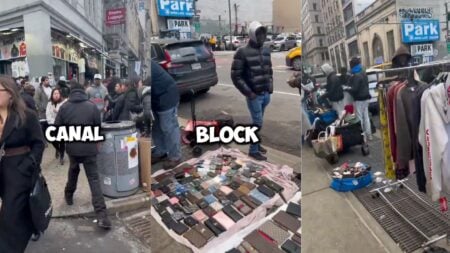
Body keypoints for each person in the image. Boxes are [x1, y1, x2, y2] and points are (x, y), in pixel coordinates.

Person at [55, 80, 112, 229]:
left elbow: (56, 129)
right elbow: (98, 128)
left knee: (73, 170)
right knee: (94, 179)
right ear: (84, 92)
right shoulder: (92, 107)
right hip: (89, 148)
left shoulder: (64, 107)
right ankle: (102, 216)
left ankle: (69, 195)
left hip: (73, 148)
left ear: (71, 93)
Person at [0, 75, 45, 252]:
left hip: (18, 172)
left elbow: (39, 143)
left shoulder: (27, 116)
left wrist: (29, 165)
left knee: (11, 215)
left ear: (10, 93)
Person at [231, 21, 273, 161]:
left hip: (265, 94)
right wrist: (249, 93)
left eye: (263, 33)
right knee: (257, 123)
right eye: (258, 33)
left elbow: (269, 70)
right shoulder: (242, 52)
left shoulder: (266, 49)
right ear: (252, 35)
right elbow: (236, 76)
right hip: (254, 96)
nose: (261, 36)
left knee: (259, 122)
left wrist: (270, 86)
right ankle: (253, 150)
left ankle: (256, 144)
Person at [151, 60, 182, 169]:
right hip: (156, 98)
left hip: (167, 95)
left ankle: (175, 156)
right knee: (156, 127)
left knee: (169, 127)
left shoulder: (144, 65)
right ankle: (161, 151)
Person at [346, 57, 372, 140]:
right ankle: (369, 135)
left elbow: (355, 89)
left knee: (359, 118)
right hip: (366, 97)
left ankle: (362, 136)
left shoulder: (356, 75)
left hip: (359, 99)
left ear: (352, 65)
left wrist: (347, 89)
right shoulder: (363, 72)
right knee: (366, 117)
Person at [46, 88, 67, 165]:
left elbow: (65, 114)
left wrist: (58, 111)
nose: (56, 95)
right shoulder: (49, 104)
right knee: (52, 139)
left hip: (62, 124)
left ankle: (62, 156)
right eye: (54, 93)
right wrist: (52, 123)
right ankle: (57, 149)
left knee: (61, 140)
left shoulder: (64, 103)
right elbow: (48, 114)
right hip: (52, 124)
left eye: (57, 93)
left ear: (60, 94)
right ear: (52, 95)